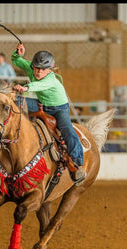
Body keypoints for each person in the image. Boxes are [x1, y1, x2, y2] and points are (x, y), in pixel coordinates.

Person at [11, 43, 86, 184]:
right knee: (23, 109)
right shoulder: (32, 69)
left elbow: (37, 86)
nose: (39, 72)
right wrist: (18, 54)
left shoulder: (51, 79)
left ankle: (77, 162)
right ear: (33, 66)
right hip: (43, 105)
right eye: (37, 68)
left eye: (43, 69)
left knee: (67, 129)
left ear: (50, 70)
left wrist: (24, 87)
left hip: (59, 109)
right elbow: (17, 61)